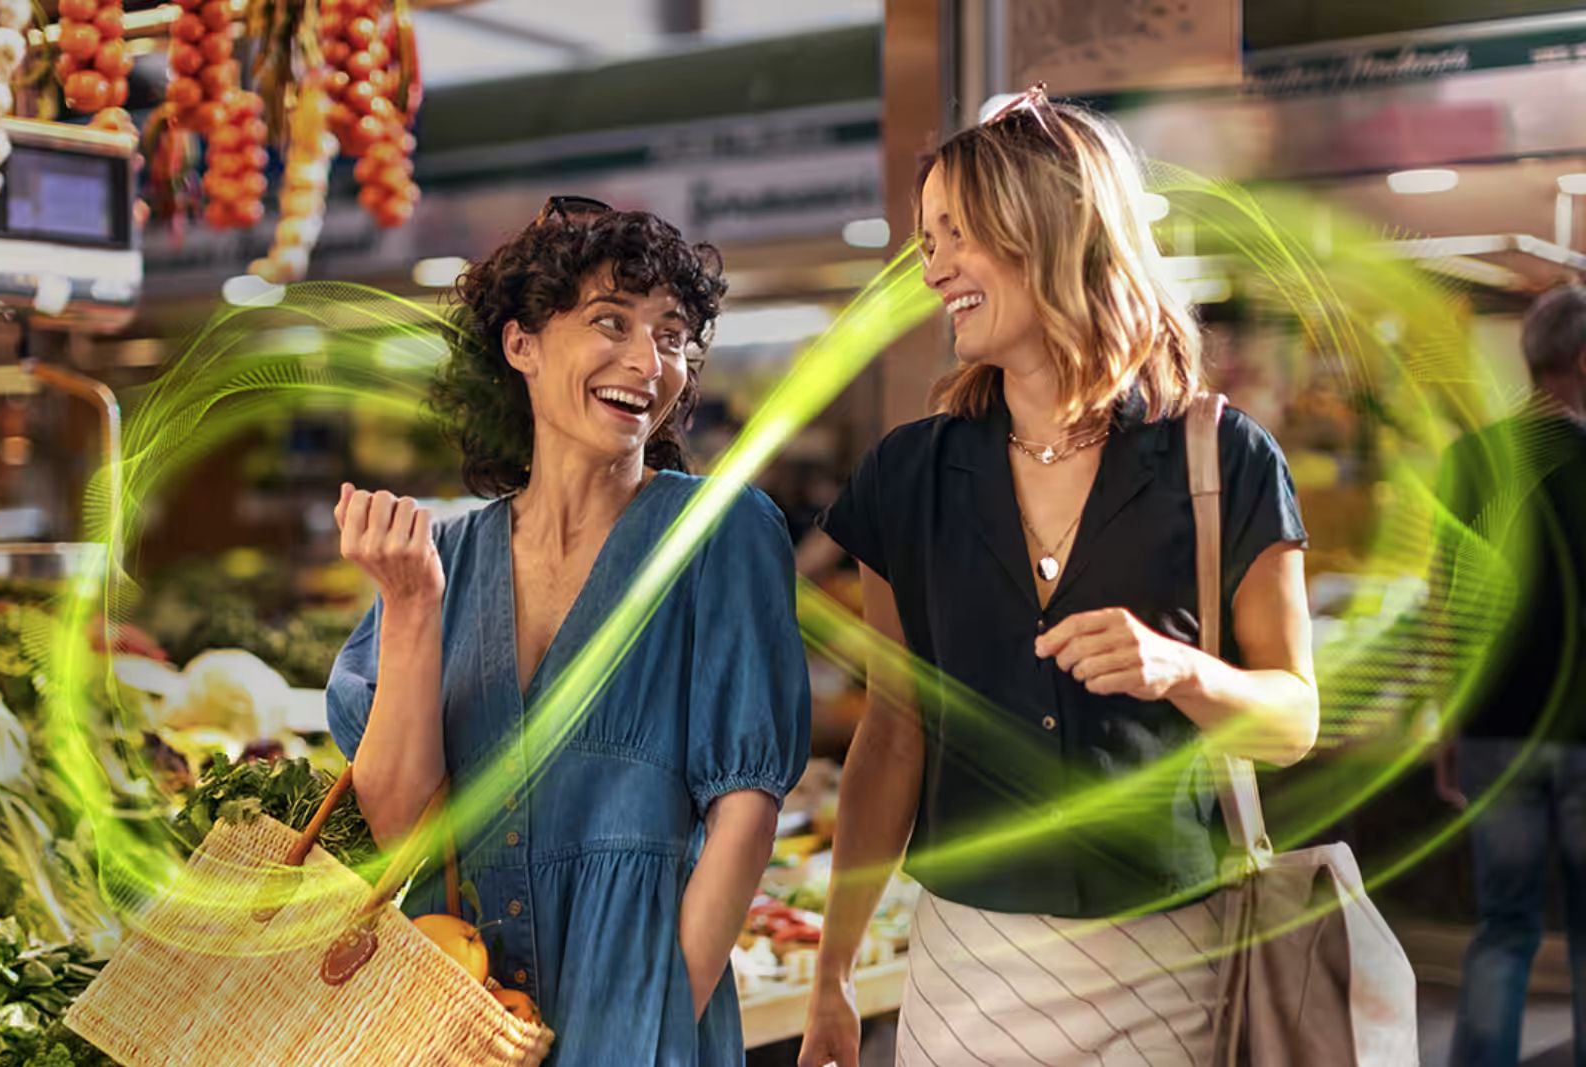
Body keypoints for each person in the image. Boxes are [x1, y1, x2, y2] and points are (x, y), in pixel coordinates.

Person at [798, 89, 1317, 1066]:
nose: (932, 262)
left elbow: (1293, 721)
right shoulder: (906, 477)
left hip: (1168, 958)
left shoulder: (1223, 458)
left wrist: (1179, 670)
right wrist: (833, 967)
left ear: (1049, 229)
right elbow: (893, 729)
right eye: (926, 235)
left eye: (958, 231)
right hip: (967, 964)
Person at [326, 198, 812, 1065]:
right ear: (522, 345)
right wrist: (408, 610)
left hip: (636, 1008)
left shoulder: (720, 535)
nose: (646, 361)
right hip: (454, 1018)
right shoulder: (445, 560)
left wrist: (660, 1021)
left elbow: (745, 811)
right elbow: (401, 826)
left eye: (671, 334)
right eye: (610, 322)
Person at [1433, 284, 1586, 1067]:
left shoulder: (1470, 458)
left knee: (1504, 924)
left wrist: (1447, 720)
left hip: (1495, 727)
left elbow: (1444, 601)